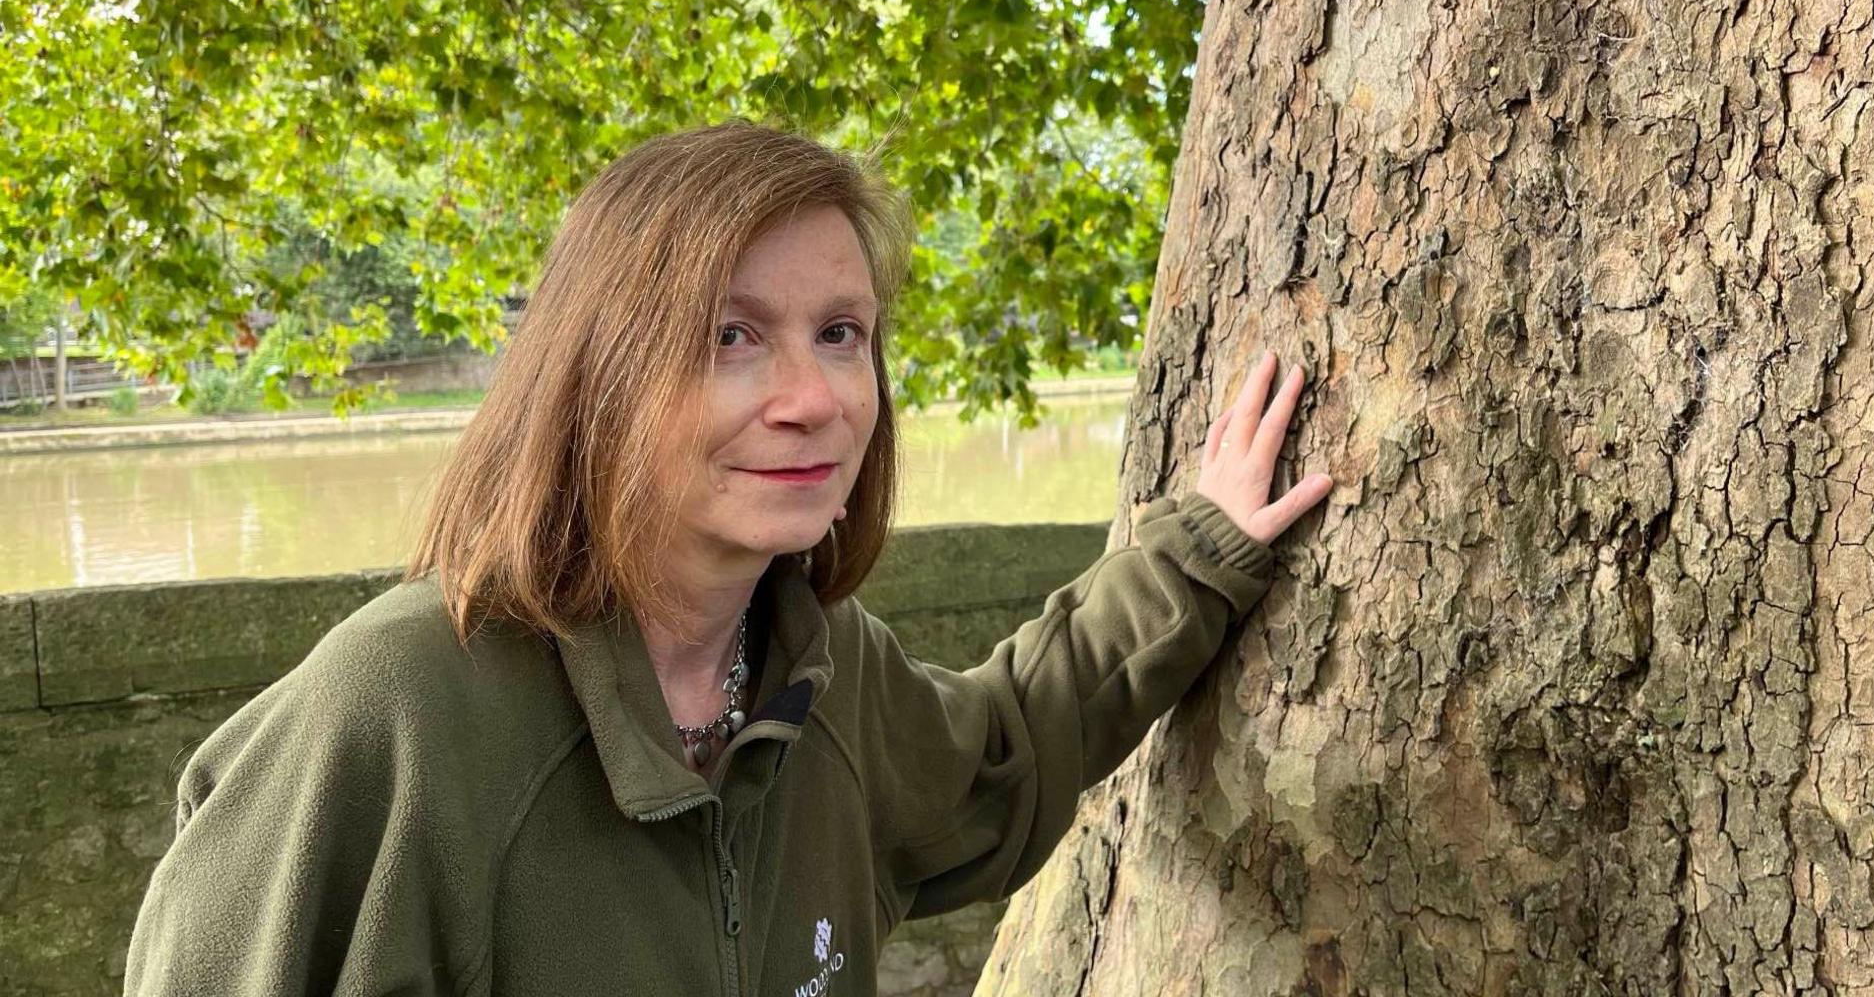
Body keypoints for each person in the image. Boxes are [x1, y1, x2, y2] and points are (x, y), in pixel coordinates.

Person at [123, 122, 1334, 996]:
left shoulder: (818, 667)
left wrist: (1194, 556)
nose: (812, 397)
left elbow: (998, 766)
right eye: (732, 335)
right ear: (596, 373)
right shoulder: (397, 714)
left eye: (841, 333)